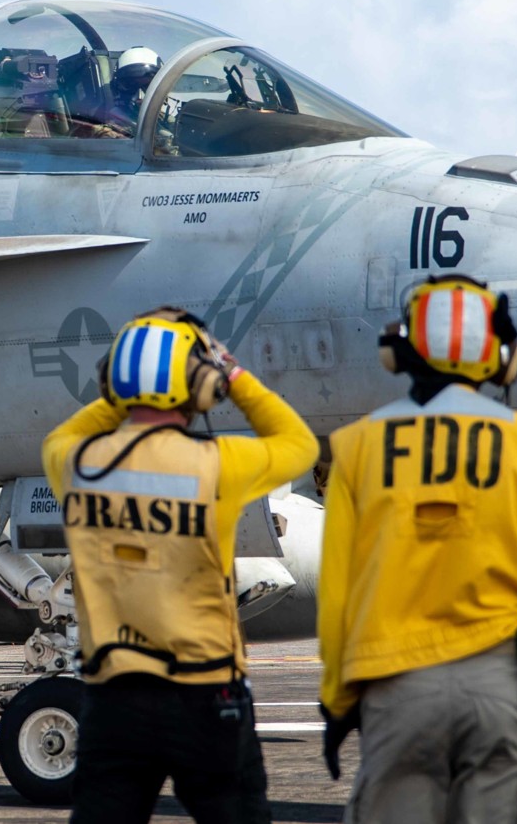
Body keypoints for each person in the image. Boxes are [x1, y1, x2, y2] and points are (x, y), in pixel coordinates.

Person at [316, 276, 517, 824]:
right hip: (498, 679)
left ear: (400, 352)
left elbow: (337, 595)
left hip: (395, 686)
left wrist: (337, 704)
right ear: (501, 360)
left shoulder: (355, 448)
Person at [41, 307, 319, 824]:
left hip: (115, 702)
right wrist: (230, 375)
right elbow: (299, 445)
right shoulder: (217, 463)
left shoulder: (75, 463)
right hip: (206, 697)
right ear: (199, 386)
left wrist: (116, 394)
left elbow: (73, 431)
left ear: (112, 383)